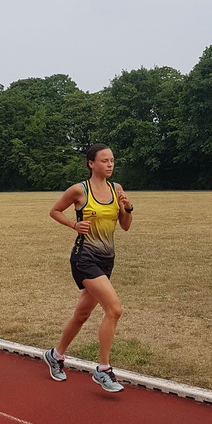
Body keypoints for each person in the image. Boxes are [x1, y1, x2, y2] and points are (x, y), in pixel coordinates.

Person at [44, 144, 133, 392]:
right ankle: (103, 370)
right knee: (114, 309)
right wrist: (73, 225)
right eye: (104, 160)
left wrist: (127, 207)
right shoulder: (79, 190)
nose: (110, 164)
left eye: (112, 160)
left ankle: (55, 355)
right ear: (91, 163)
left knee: (82, 314)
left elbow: (125, 225)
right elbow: (54, 211)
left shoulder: (117, 189)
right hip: (84, 258)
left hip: (106, 259)